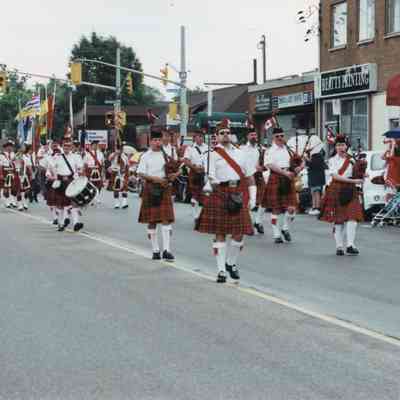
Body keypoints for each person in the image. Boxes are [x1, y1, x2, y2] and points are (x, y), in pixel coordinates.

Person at [195, 119, 255, 283]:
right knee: (220, 233)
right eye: (222, 133)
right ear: (216, 136)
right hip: (220, 192)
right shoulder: (211, 155)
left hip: (237, 192)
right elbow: (211, 176)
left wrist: (253, 197)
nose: (225, 135)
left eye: (228, 133)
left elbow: (249, 177)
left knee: (239, 234)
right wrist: (211, 181)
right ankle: (221, 270)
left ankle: (231, 263)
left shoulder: (241, 153)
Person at [319, 134, 364, 256]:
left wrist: (362, 174)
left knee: (352, 218)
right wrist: (354, 181)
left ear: (346, 146)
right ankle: (339, 246)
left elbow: (358, 173)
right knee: (338, 221)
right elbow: (335, 176)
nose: (340, 147)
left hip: (351, 190)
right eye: (338, 145)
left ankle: (350, 245)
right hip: (337, 189)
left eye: (342, 145)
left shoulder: (352, 159)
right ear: (335, 147)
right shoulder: (331, 161)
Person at [136, 128, 175, 262]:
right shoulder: (146, 156)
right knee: (152, 221)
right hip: (151, 188)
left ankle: (167, 250)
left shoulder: (167, 154)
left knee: (166, 219)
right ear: (150, 141)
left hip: (165, 188)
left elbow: (173, 170)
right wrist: (157, 179)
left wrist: (174, 175)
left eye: (159, 140)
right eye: (154, 140)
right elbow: (140, 173)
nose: (157, 142)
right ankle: (155, 250)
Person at [262, 127, 301, 244]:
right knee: (276, 209)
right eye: (277, 136)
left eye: (282, 136)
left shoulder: (289, 149)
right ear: (273, 138)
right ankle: (276, 234)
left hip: (289, 178)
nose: (280, 138)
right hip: (276, 177)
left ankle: (285, 228)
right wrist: (285, 173)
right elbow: (269, 164)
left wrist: (299, 168)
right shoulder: (270, 151)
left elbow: (300, 161)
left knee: (292, 208)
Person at [50, 138, 85, 232]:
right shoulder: (57, 157)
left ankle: (76, 223)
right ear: (62, 146)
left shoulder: (76, 157)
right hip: (60, 181)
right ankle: (61, 224)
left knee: (74, 203)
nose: (67, 147)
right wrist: (53, 176)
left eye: (69, 146)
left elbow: (80, 168)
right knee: (61, 204)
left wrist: (80, 176)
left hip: (71, 181)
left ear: (71, 147)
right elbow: (51, 168)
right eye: (65, 145)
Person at [240, 130, 265, 234]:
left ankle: (258, 221)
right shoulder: (241, 149)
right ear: (247, 136)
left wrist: (262, 167)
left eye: (255, 134)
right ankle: (249, 223)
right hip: (247, 177)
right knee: (249, 201)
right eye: (252, 135)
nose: (254, 136)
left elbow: (266, 162)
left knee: (264, 201)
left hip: (258, 176)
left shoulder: (262, 148)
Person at [183, 129, 208, 222]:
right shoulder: (190, 148)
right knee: (195, 194)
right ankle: (195, 215)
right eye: (199, 136)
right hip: (194, 173)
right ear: (194, 138)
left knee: (206, 194)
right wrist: (194, 167)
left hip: (205, 173)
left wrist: (205, 168)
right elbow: (186, 161)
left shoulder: (208, 148)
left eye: (202, 136)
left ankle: (203, 215)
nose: (201, 138)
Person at [305, 148, 327, 215]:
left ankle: (317, 207)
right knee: (313, 192)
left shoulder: (318, 156)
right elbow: (308, 165)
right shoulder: (312, 155)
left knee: (316, 192)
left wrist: (307, 159)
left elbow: (313, 165)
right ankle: (314, 206)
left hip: (316, 177)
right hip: (312, 176)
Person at [0, 140, 18, 208]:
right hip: (5, 171)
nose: (10, 148)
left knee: (13, 187)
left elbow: (17, 163)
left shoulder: (14, 154)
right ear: (5, 147)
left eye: (11, 146)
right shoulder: (2, 155)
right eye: (8, 146)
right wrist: (1, 174)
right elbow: (1, 165)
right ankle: (7, 201)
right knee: (6, 187)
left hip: (13, 171)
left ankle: (13, 201)